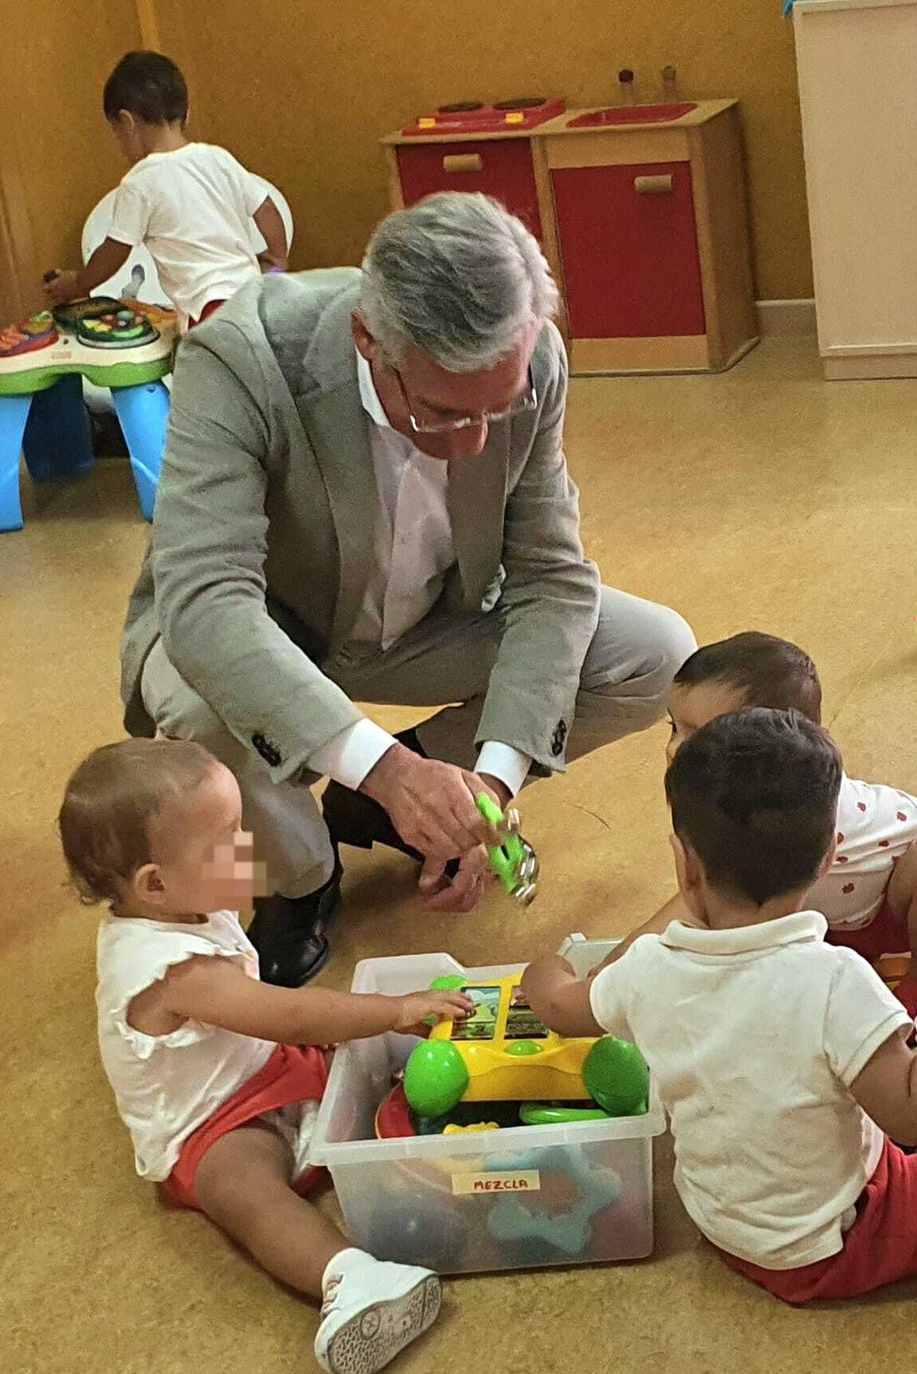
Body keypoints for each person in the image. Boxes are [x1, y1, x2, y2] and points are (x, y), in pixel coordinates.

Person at [118, 190, 695, 985]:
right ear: (367, 337)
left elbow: (551, 579)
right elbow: (206, 603)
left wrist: (486, 785)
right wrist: (386, 768)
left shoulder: (533, 361)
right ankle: (302, 874)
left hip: (428, 622)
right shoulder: (238, 358)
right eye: (443, 412)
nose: (473, 444)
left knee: (658, 654)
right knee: (190, 700)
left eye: (500, 408)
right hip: (273, 626)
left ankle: (385, 804)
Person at [522, 709, 917, 1303]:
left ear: (684, 864)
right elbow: (910, 1114)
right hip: (830, 1244)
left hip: (721, 1223)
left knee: (866, 1104)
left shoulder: (644, 968)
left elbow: (561, 1008)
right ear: (828, 861)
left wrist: (547, 969)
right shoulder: (836, 979)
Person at [59, 738, 474, 1374]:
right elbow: (284, 1012)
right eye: (228, 840)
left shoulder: (189, 907)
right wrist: (392, 1011)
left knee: (361, 1058)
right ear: (157, 883)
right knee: (247, 1192)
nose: (249, 849)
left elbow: (281, 1028)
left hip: (265, 1065)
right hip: (213, 1126)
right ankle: (348, 1280)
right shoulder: (167, 969)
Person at [619, 632, 917, 1019]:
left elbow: (688, 910)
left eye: (700, 736)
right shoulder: (714, 796)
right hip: (814, 910)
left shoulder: (802, 804)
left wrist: (603, 982)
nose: (673, 749)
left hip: (894, 901)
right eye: (674, 728)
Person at [43, 51, 287, 326]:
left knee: (207, 368)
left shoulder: (140, 182)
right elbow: (266, 207)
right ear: (187, 113)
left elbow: (115, 251)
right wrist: (277, 257)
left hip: (209, 312)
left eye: (116, 132)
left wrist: (78, 282)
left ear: (127, 123)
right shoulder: (218, 158)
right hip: (255, 299)